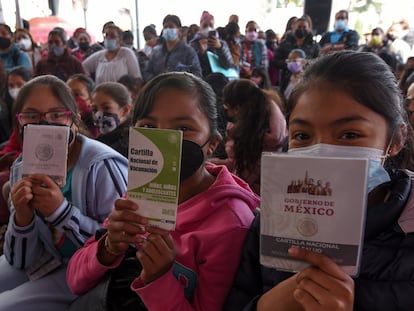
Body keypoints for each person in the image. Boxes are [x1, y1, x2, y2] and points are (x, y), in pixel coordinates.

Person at [224, 50, 414, 311]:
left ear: (395, 140)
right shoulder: (270, 220)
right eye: (302, 136)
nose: (322, 150)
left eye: (349, 135)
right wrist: (265, 306)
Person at [66, 71, 259, 310]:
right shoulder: (140, 194)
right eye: (148, 126)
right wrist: (108, 247)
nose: (164, 140)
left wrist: (157, 281)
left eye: (183, 128)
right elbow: (75, 281)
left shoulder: (231, 223)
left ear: (212, 143)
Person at [0, 74, 128, 311]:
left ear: (74, 119)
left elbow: (120, 248)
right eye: (32, 115)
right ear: (19, 121)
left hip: (89, 271)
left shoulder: (103, 167)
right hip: (47, 258)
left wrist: (61, 212)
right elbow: (18, 260)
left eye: (57, 114)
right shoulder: (21, 167)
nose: (44, 124)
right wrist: (22, 219)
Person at [209, 79, 288, 195]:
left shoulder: (252, 134)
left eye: (227, 108)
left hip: (254, 195)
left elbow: (243, 176)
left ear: (237, 108)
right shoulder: (265, 116)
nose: (228, 114)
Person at [143, 14, 202, 82]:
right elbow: (147, 72)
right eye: (165, 27)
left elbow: (197, 74)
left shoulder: (188, 51)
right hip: (160, 89)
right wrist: (157, 81)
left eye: (171, 27)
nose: (168, 29)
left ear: (179, 30)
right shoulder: (156, 51)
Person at [273, 16, 320, 95]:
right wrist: (289, 64)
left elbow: (319, 62)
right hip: (286, 81)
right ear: (293, 27)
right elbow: (275, 61)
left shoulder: (314, 45)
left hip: (307, 81)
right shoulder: (284, 43)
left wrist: (304, 63)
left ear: (309, 28)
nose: (301, 29)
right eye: (299, 27)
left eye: (304, 27)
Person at [92, 81, 132, 158]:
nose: (98, 115)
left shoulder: (132, 144)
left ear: (125, 110)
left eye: (106, 108)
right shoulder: (101, 140)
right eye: (95, 109)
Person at [190, 11, 234, 79]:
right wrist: (201, 53)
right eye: (205, 25)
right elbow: (190, 66)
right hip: (201, 81)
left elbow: (228, 65)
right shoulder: (194, 44)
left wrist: (220, 48)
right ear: (200, 27)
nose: (208, 28)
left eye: (211, 25)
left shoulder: (222, 44)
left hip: (220, 81)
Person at [66, 73, 99, 138]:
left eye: (77, 94)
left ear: (91, 98)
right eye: (68, 94)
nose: (71, 98)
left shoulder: (96, 122)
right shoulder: (62, 117)